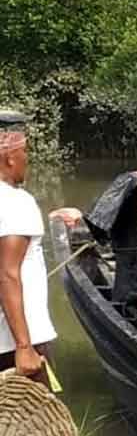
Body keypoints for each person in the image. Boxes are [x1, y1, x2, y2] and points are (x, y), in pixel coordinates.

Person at [0, 131, 56, 389]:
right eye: (25, 152)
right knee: (41, 425)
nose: (27, 159)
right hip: (18, 342)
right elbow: (7, 273)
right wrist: (24, 346)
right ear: (10, 158)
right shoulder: (17, 202)